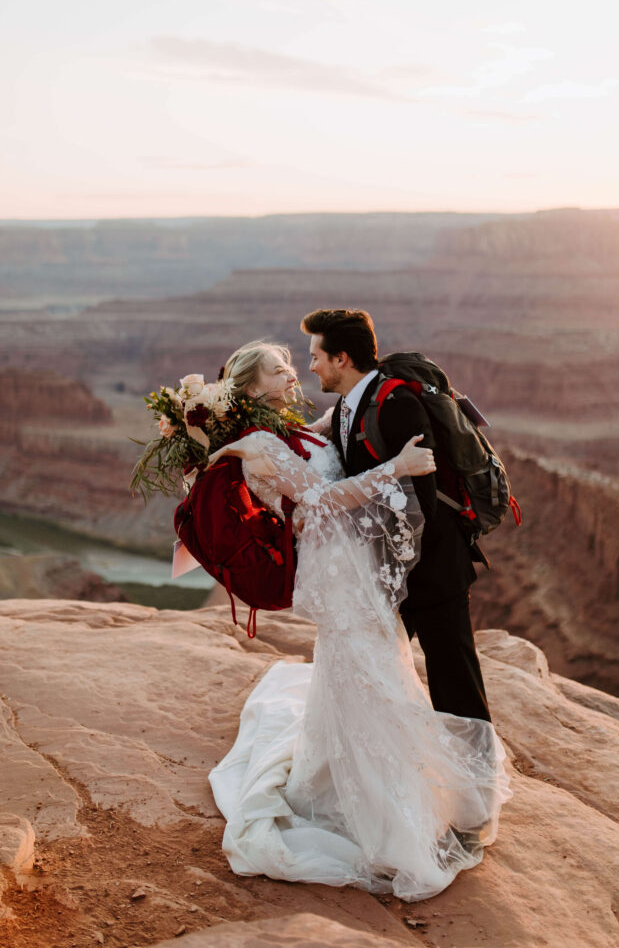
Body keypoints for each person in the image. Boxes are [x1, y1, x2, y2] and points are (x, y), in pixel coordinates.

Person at [208, 340, 511, 901]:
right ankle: (381, 812)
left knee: (377, 668)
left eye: (299, 364)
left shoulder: (293, 430)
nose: (294, 374)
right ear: (251, 388)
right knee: (367, 669)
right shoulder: (257, 444)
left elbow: (337, 418)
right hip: (338, 579)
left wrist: (376, 378)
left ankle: (384, 788)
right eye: (280, 370)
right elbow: (321, 500)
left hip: (359, 571)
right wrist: (397, 468)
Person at [302, 309, 491, 722]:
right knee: (373, 675)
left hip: (434, 570)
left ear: (342, 359)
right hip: (392, 574)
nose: (311, 365)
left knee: (454, 683)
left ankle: (477, 783)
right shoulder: (350, 407)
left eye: (316, 355)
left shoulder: (396, 404)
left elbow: (417, 504)